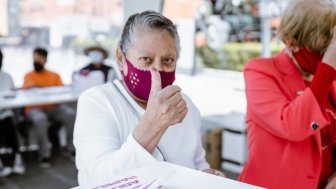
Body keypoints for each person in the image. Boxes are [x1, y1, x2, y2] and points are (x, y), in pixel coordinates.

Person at [74, 11, 224, 187]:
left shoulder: (185, 104)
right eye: (146, 59)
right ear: (121, 59)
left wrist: (205, 176)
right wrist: (152, 125)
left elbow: (197, 163)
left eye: (168, 60)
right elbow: (97, 180)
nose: (157, 70)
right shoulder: (97, 101)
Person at [239, 0, 336, 188]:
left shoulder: (331, 81)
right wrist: (328, 67)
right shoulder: (260, 72)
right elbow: (293, 125)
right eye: (322, 50)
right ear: (292, 42)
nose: (327, 56)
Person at [23, 47, 76, 168]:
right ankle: (44, 155)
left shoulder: (54, 75)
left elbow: (61, 92)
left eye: (39, 58)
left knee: (71, 114)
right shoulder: (28, 76)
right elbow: (27, 92)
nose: (37, 60)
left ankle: (70, 148)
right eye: (35, 58)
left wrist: (41, 89)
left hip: (54, 107)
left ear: (45, 59)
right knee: (40, 119)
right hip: (35, 108)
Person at [0, 49, 25, 176]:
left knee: (8, 124)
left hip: (5, 113)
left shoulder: (7, 77)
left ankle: (17, 158)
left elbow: (13, 96)